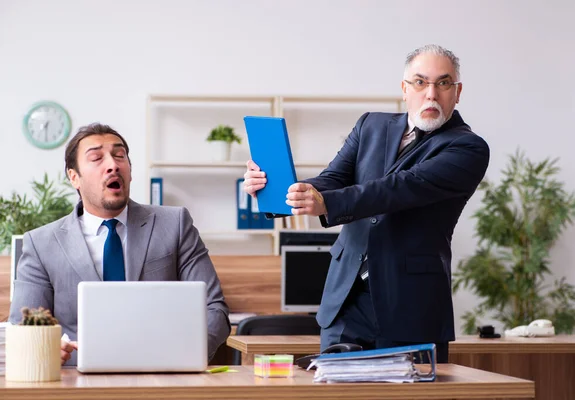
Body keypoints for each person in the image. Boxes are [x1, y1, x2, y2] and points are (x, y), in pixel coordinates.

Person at [243, 44, 489, 362]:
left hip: (410, 308)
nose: (431, 94)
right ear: (404, 88)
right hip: (344, 301)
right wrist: (284, 192)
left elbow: (398, 189)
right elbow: (331, 179)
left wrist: (324, 203)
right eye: (420, 82)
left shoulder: (468, 148)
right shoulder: (370, 125)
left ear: (457, 92)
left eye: (443, 83)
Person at [9, 123, 231, 366]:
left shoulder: (175, 224)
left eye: (119, 155)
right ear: (75, 178)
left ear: (130, 171)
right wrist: (44, 349)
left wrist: (187, 353)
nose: (113, 165)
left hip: (163, 375)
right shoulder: (41, 243)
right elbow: (24, 328)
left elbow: (214, 309)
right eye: (96, 158)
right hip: (75, 381)